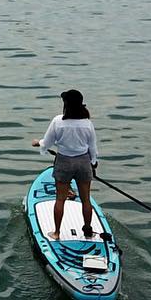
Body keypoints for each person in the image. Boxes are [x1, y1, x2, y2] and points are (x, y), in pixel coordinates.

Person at [31, 89, 100, 240]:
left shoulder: (58, 121)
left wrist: (38, 143)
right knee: (86, 199)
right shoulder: (87, 124)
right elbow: (93, 148)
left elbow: (47, 142)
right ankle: (88, 230)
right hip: (83, 162)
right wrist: (93, 164)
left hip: (64, 162)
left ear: (66, 105)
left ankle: (56, 233)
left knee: (60, 199)